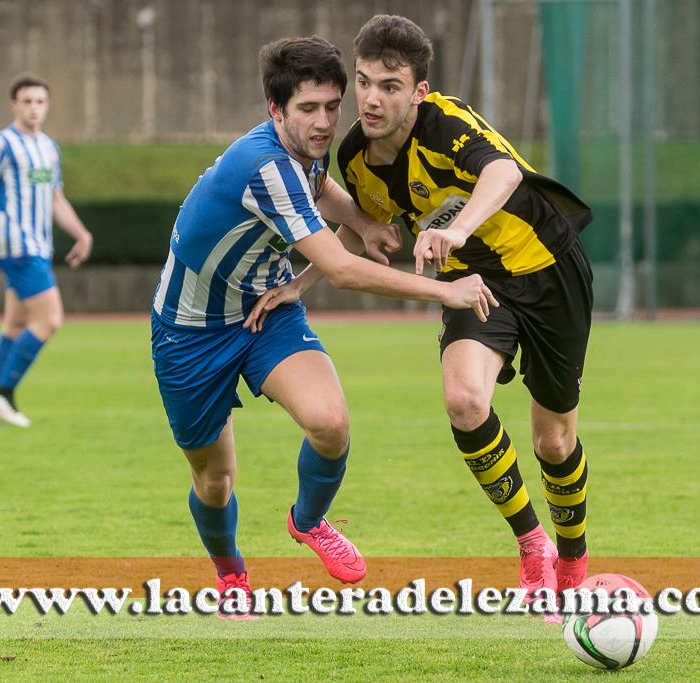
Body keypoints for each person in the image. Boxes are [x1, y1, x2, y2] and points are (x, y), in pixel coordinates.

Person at [248, 15, 595, 623]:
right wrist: (299, 286)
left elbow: (504, 172)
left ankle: (573, 560)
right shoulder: (355, 156)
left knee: (553, 439)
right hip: (473, 286)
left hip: (549, 269)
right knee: (465, 401)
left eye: (389, 85)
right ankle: (532, 544)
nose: (372, 99)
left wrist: (454, 229)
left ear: (420, 91)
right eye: (364, 82)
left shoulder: (446, 123)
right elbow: (362, 233)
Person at [150, 35, 496, 617]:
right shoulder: (263, 165)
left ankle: (306, 521)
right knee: (215, 481)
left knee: (330, 423)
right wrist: (447, 290)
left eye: (332, 106)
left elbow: (322, 189)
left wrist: (363, 219)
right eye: (307, 109)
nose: (324, 122)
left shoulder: (306, 157)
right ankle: (231, 573)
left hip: (267, 310)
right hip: (190, 333)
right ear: (274, 109)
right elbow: (338, 267)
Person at [0, 74, 93, 428]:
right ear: (14, 105)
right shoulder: (2, 144)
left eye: (40, 101)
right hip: (17, 245)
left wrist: (81, 233)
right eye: (27, 101)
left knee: (15, 324)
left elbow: (56, 198)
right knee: (50, 320)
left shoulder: (48, 148)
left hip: (40, 244)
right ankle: (4, 393)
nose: (34, 108)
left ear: (48, 105)